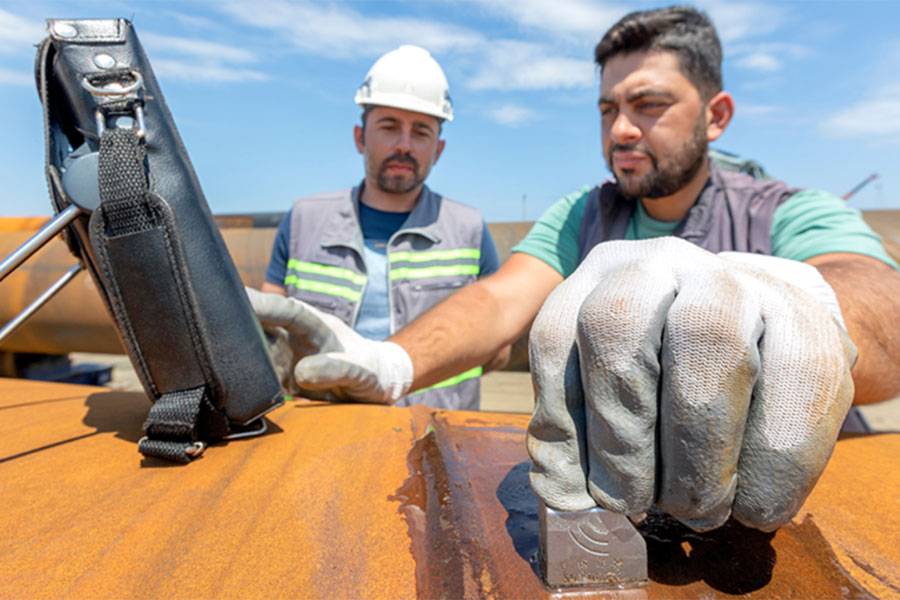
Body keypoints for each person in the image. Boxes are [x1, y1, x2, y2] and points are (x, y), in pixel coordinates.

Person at [249, 7, 900, 532]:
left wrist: (786, 299)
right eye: (607, 109)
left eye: (648, 105)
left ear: (716, 115)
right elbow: (498, 302)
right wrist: (391, 362)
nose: (621, 129)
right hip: (624, 524)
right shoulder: (584, 217)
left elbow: (879, 303)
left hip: (797, 521)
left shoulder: (784, 213)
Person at [259, 45, 507, 410]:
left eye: (421, 132)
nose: (404, 145)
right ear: (360, 137)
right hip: (320, 434)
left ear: (438, 149)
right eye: (389, 127)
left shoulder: (469, 231)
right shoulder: (303, 221)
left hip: (435, 439)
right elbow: (270, 335)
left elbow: (496, 352)